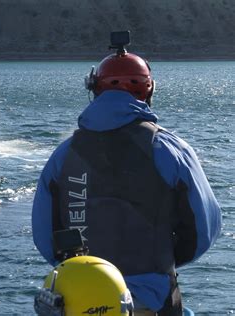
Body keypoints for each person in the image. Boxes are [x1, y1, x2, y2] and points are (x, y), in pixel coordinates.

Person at [32, 32, 221, 315]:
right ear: (148, 91)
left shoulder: (63, 155)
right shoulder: (169, 150)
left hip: (79, 300)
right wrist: (161, 261)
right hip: (153, 298)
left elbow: (45, 237)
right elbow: (204, 230)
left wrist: (91, 274)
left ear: (94, 89)